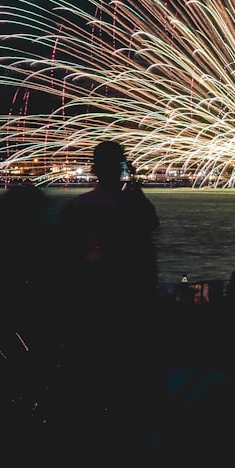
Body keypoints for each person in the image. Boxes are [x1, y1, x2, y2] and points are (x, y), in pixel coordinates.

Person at [56, 140, 160, 429]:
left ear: (94, 169)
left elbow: (65, 253)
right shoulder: (132, 203)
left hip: (94, 297)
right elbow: (151, 224)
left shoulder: (80, 206)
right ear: (121, 167)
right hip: (130, 297)